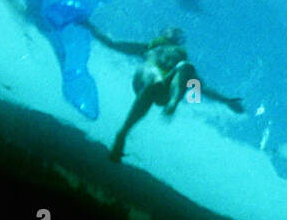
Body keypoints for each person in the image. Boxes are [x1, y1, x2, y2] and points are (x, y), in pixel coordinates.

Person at [87, 26, 244, 161]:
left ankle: (172, 103)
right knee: (153, 72)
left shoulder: (180, 58)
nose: (175, 32)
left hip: (165, 91)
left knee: (186, 67)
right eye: (172, 30)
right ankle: (122, 134)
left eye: (178, 33)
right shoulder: (149, 48)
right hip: (145, 81)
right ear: (163, 33)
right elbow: (111, 43)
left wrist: (227, 101)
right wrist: (87, 24)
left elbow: (200, 87)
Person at [10, 0, 104, 120]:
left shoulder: (71, 20)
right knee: (69, 64)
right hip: (51, 22)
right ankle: (83, 104)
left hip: (55, 26)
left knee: (68, 64)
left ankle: (84, 105)